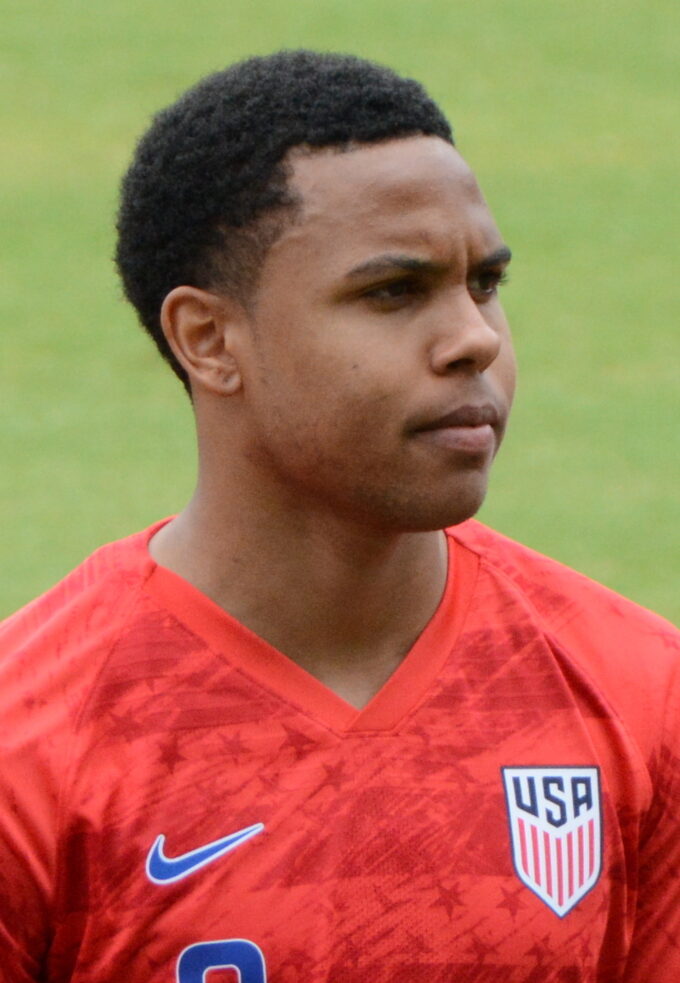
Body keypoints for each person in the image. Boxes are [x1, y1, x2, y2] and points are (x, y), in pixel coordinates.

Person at [1, 50, 678, 983]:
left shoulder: (642, 695)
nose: (474, 338)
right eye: (392, 292)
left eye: (484, 284)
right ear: (209, 339)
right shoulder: (32, 749)